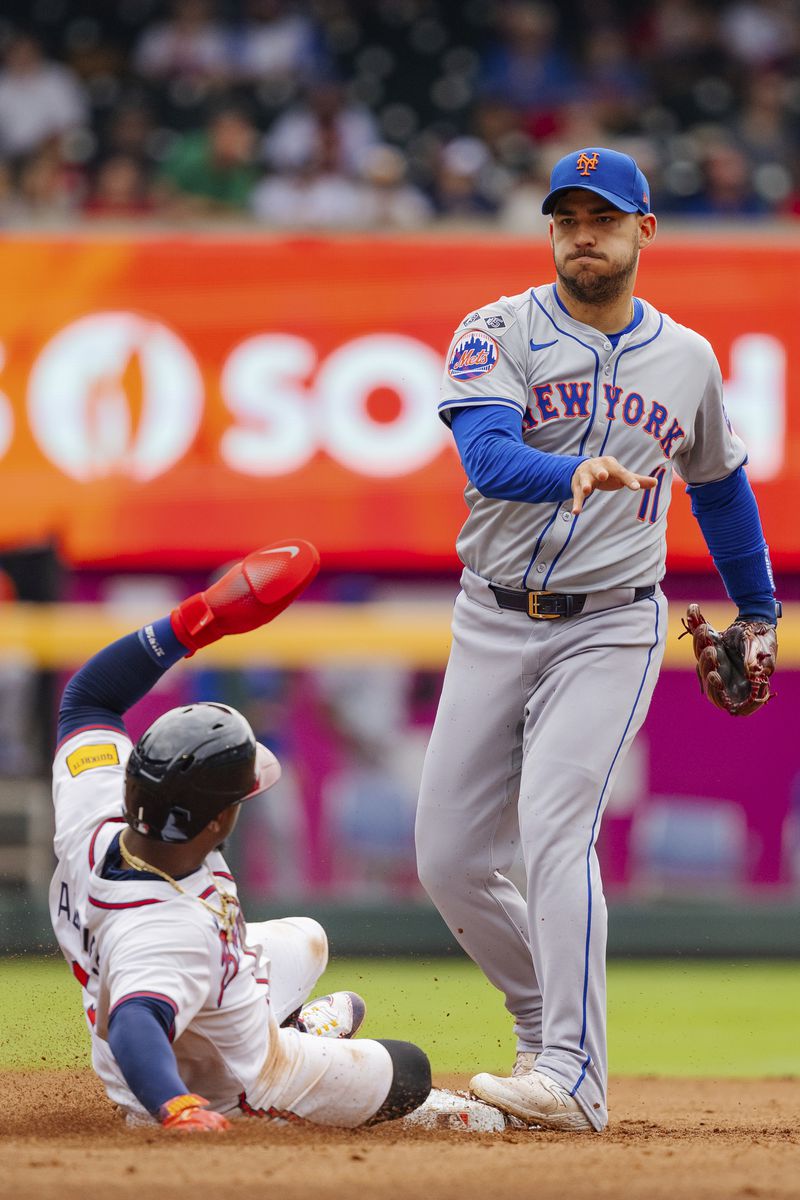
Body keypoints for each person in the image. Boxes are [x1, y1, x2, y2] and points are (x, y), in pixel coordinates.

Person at [415, 147, 779, 1132]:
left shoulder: (687, 359)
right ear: (548, 231)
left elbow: (717, 487)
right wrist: (566, 470)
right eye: (566, 217)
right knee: (445, 857)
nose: (583, 233)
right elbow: (488, 455)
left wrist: (758, 613)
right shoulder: (493, 329)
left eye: (602, 217)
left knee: (553, 830)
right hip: (491, 612)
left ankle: (574, 1078)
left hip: (611, 621)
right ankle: (543, 1024)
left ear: (640, 231)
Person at [50, 541, 432, 1131]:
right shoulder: (165, 929)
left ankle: (284, 1024)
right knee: (411, 1070)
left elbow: (88, 697)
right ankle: (285, 1056)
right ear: (218, 822)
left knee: (309, 938)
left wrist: (195, 619)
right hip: (227, 1078)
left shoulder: (95, 811)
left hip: (185, 997)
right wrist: (174, 1107)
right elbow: (134, 1021)